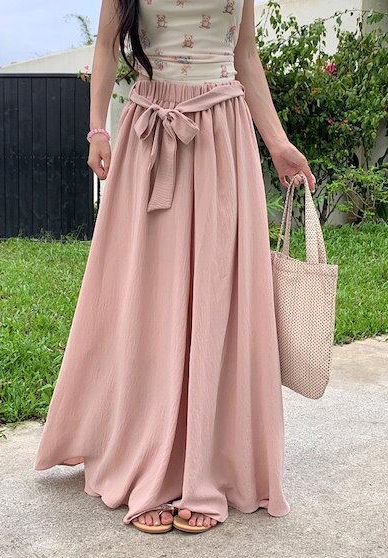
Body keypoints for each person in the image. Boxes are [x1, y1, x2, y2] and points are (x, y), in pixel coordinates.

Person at [34, 0, 316, 534]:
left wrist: (278, 143)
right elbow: (105, 46)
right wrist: (97, 130)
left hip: (223, 137)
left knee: (216, 296)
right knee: (149, 300)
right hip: (150, 134)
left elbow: (245, 53)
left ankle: (207, 465)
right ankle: (151, 464)